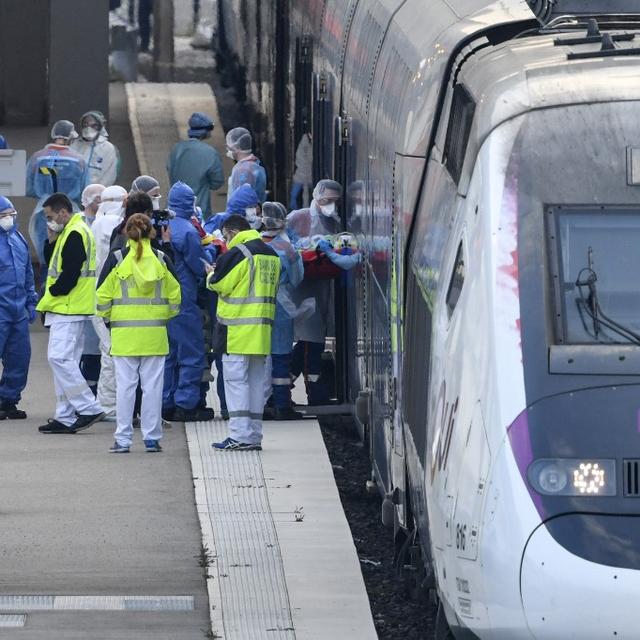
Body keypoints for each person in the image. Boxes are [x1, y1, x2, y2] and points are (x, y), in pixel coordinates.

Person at [97, 214, 181, 453]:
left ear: (127, 231)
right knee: (152, 388)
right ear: (151, 232)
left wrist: (109, 320)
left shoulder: (117, 259)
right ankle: (152, 438)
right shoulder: (161, 259)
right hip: (154, 335)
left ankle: (123, 439)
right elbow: (176, 296)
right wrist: (164, 317)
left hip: (124, 335)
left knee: (125, 387)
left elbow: (102, 296)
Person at [206, 215, 281, 450]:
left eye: (226, 238)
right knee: (257, 383)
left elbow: (219, 283)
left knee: (236, 382)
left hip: (236, 330)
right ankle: (254, 435)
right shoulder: (271, 254)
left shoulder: (239, 253)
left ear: (230, 232)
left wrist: (210, 273)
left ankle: (239, 435)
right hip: (262, 330)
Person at [286, 179, 360, 405]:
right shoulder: (298, 218)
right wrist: (309, 245)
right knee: (310, 342)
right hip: (302, 288)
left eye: (335, 201)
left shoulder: (333, 222)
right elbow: (288, 245)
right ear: (317, 196)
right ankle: (313, 394)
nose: (331, 205)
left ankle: (287, 388)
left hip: (320, 289)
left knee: (312, 340)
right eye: (327, 200)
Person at [36, 193, 104, 434]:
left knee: (59, 359)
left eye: (50, 216)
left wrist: (53, 291)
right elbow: (54, 261)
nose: (49, 220)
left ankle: (88, 406)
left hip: (68, 305)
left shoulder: (75, 232)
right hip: (70, 306)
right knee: (66, 361)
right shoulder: (70, 230)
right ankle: (64, 416)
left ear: (63, 212)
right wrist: (51, 238)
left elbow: (70, 272)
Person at [163, 182, 212, 422]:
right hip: (184, 300)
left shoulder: (161, 226)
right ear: (190, 203)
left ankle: (166, 402)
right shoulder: (189, 231)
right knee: (191, 354)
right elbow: (199, 266)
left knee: (168, 355)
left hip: (162, 301)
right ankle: (186, 405)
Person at [260, 202, 305, 420]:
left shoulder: (252, 244)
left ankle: (262, 403)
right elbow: (297, 278)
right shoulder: (287, 249)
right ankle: (281, 404)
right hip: (281, 307)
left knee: (259, 359)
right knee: (280, 357)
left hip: (255, 308)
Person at [26, 120, 87, 268]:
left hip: (44, 210)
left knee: (45, 253)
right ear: (71, 138)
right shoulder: (79, 160)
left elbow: (29, 188)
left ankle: (46, 283)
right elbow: (85, 190)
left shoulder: (37, 158)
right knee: (70, 255)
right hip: (70, 211)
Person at [0, 196, 37, 420]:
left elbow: (27, 274)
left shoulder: (18, 238)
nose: (9, 219)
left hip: (17, 311)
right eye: (4, 215)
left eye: (11, 214)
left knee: (19, 358)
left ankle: (8, 400)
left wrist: (31, 301)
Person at [167, 112, 224, 220]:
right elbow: (218, 182)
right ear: (206, 131)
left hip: (174, 207)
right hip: (199, 208)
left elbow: (169, 170)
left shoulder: (176, 149)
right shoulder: (210, 153)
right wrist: (204, 184)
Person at [79, 183, 106, 396]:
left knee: (100, 346)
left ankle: (97, 392)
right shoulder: (78, 225)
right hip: (83, 296)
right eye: (97, 197)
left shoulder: (107, 224)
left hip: (102, 294)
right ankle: (87, 394)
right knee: (87, 347)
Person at [71, 111, 120, 187]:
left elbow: (110, 175)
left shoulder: (108, 149)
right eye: (85, 124)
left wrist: (97, 192)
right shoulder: (74, 145)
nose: (88, 128)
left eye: (94, 125)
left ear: (100, 127)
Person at [225, 127, 267, 204]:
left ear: (236, 147)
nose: (227, 149)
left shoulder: (243, 170)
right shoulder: (254, 165)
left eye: (228, 147)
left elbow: (240, 201)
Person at [289, 132, 313, 210]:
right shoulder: (308, 147)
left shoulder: (305, 147)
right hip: (305, 176)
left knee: (294, 196)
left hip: (301, 176)